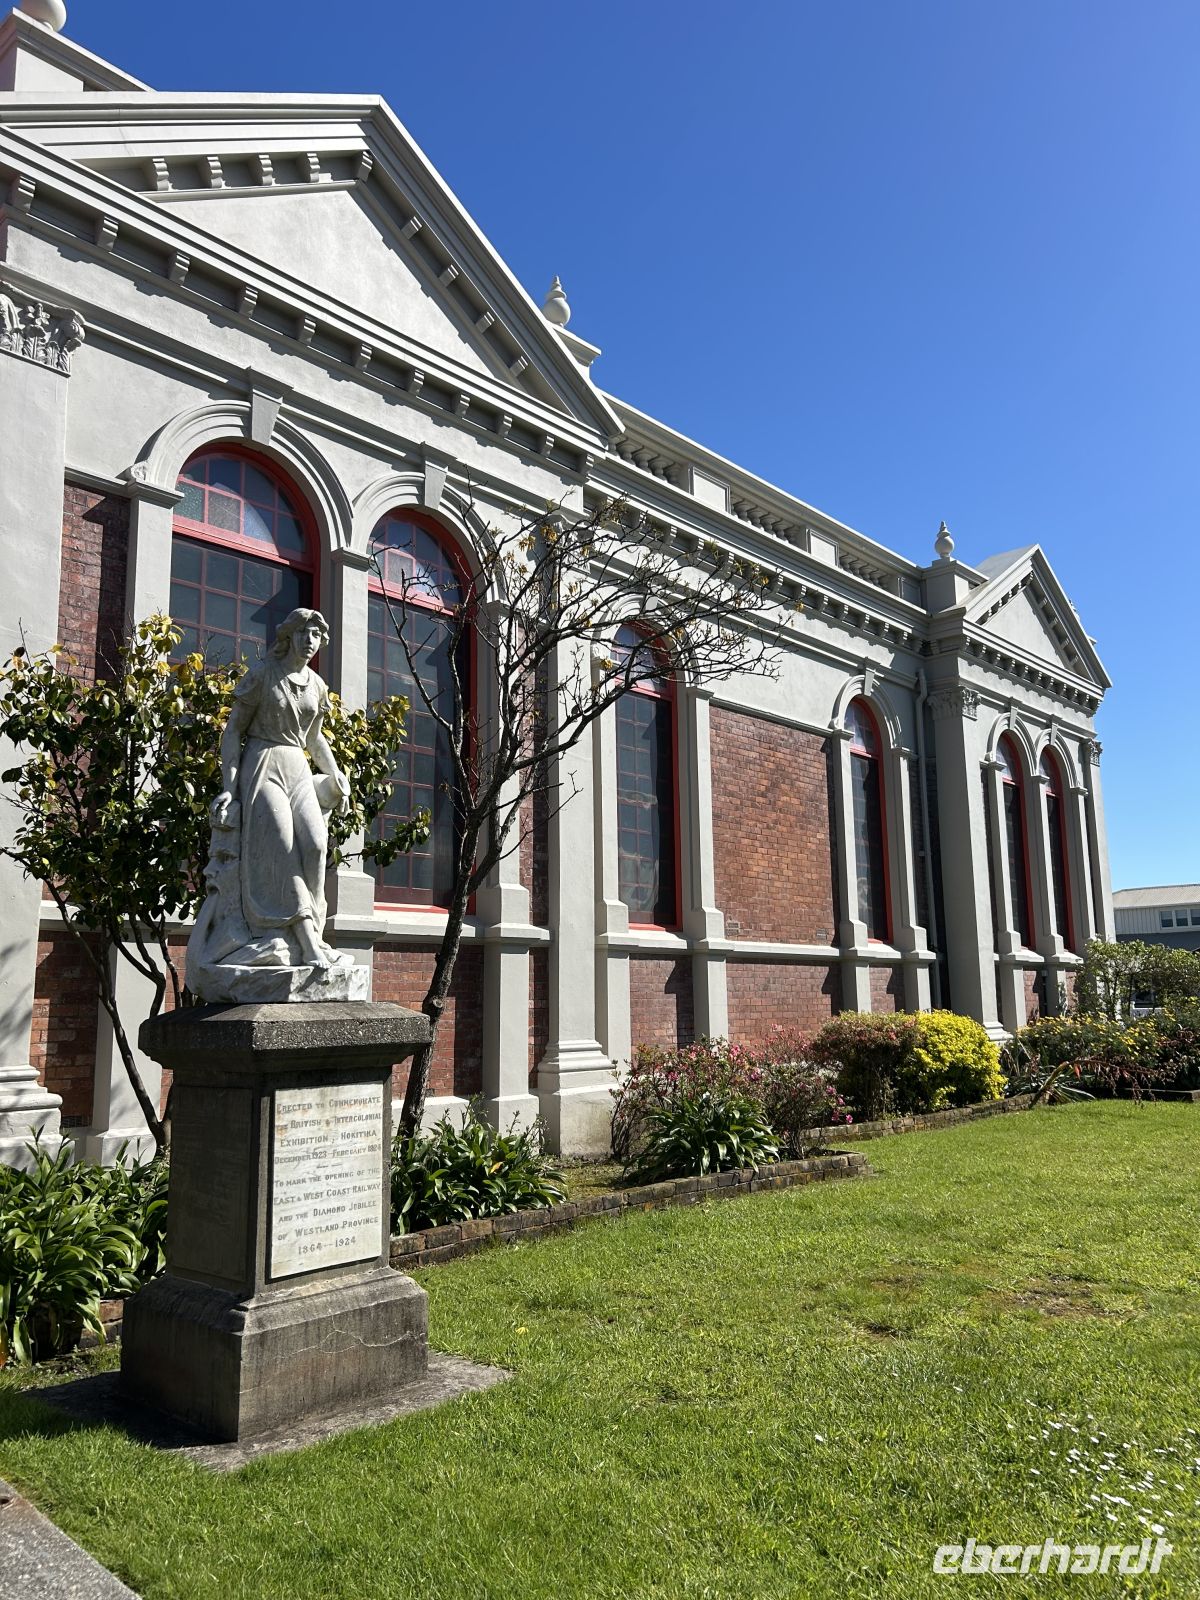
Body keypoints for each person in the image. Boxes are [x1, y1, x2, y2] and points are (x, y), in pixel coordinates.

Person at [190, 608, 352, 988]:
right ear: (290, 635)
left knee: (314, 844)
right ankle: (303, 938)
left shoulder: (316, 684)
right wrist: (229, 788)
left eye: (317, 635)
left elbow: (314, 738)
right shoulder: (262, 675)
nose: (310, 641)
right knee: (279, 844)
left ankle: (310, 928)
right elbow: (233, 731)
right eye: (305, 633)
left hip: (297, 764)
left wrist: (333, 772)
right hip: (262, 762)